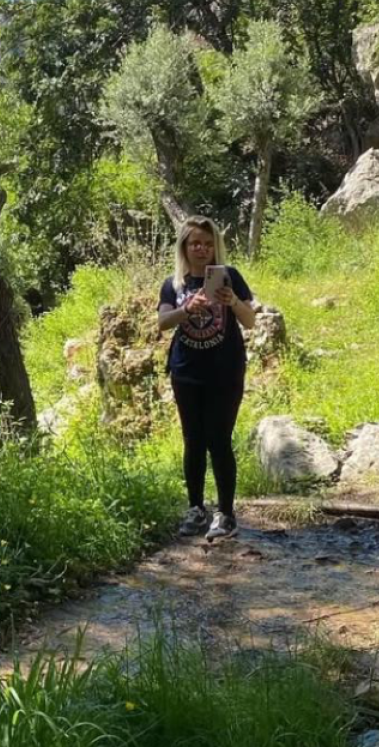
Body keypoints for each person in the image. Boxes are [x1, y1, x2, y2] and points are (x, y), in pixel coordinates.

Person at [157, 216, 256, 541]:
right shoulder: (174, 284)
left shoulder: (229, 276)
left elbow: (250, 321)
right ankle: (196, 509)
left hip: (225, 371)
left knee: (219, 440)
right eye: (195, 243)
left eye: (208, 244)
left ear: (216, 247)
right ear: (184, 247)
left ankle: (226, 514)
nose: (202, 249)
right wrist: (187, 309)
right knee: (193, 440)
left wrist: (233, 301)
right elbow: (162, 322)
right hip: (186, 371)